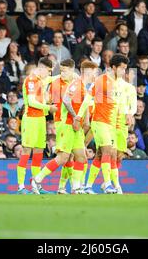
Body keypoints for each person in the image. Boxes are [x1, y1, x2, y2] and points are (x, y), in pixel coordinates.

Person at [32, 61, 99, 194]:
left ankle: (76, 187)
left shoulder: (82, 85)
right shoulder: (76, 84)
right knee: (63, 157)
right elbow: (66, 101)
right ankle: (37, 179)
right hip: (66, 124)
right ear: (87, 71)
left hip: (75, 126)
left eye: (65, 71)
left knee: (81, 157)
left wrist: (82, 119)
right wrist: (76, 117)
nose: (95, 75)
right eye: (94, 72)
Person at [83, 55, 130, 194]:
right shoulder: (101, 80)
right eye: (121, 68)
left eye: (125, 69)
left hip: (111, 124)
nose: (123, 72)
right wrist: (82, 117)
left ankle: (88, 186)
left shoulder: (118, 83)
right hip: (99, 121)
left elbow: (117, 105)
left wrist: (125, 116)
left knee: (101, 154)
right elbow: (88, 99)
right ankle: (108, 184)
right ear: (113, 67)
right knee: (108, 151)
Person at [17, 58, 57, 194]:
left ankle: (36, 185)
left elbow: (51, 79)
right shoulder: (31, 80)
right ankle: (21, 187)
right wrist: (49, 107)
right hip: (30, 119)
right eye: (49, 71)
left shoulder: (41, 80)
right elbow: (32, 102)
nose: (50, 74)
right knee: (26, 151)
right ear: (42, 68)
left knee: (39, 152)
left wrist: (70, 74)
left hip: (41, 119)